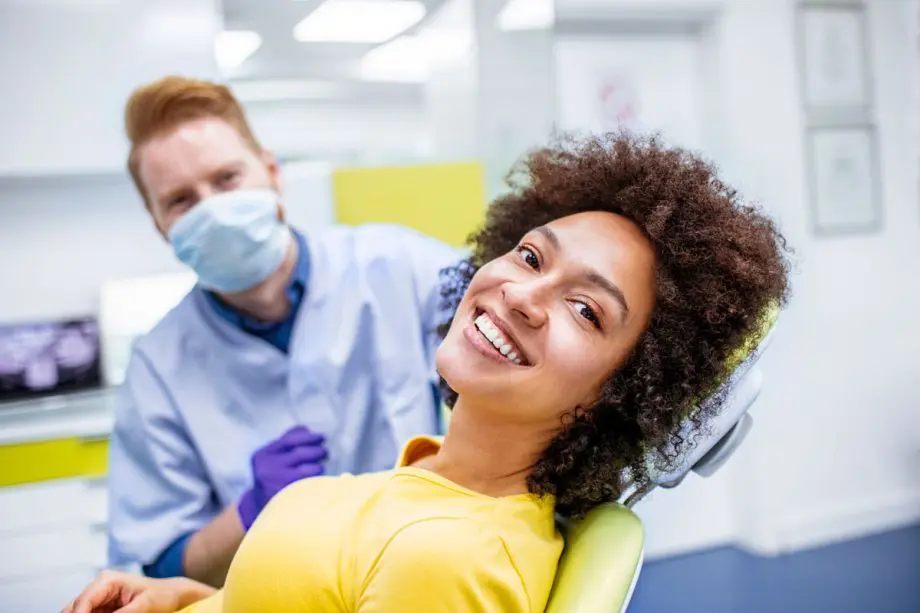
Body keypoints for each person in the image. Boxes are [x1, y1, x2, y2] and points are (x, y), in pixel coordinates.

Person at [67, 131, 791, 613]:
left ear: (620, 394)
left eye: (585, 310)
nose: (521, 294)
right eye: (532, 256)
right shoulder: (424, 484)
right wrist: (185, 599)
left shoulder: (452, 558)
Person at [106, 75, 463, 587]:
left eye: (226, 179)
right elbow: (161, 562)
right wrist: (252, 509)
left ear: (271, 171)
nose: (213, 209)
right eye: (182, 200)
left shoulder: (401, 266)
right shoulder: (158, 367)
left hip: (425, 574)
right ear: (159, 223)